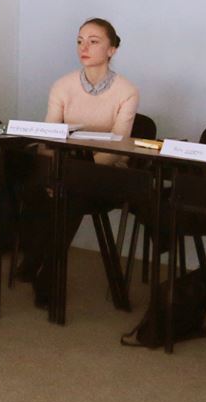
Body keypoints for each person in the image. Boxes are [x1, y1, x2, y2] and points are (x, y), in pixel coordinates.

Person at [13, 18, 143, 299]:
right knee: (32, 182)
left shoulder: (127, 91)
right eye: (80, 41)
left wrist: (72, 176)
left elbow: (117, 147)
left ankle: (46, 270)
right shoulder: (62, 86)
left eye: (93, 42)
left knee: (72, 192)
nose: (84, 47)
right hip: (65, 166)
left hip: (106, 171)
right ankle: (38, 259)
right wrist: (55, 172)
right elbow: (48, 138)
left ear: (112, 50)